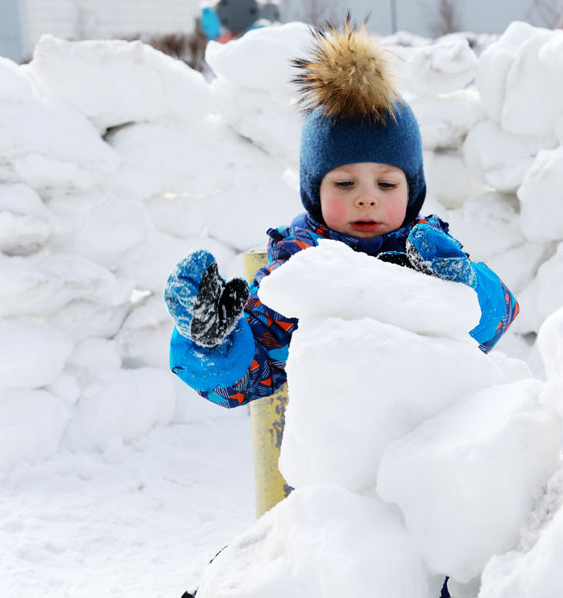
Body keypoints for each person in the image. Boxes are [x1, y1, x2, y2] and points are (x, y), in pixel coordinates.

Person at [164, 17, 519, 409]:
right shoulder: (298, 268)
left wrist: (464, 284)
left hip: (428, 444)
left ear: (412, 191)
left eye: (386, 185)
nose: (366, 199)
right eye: (344, 184)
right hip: (332, 456)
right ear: (314, 191)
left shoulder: (431, 256)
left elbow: (494, 322)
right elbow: (253, 375)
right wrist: (211, 342)